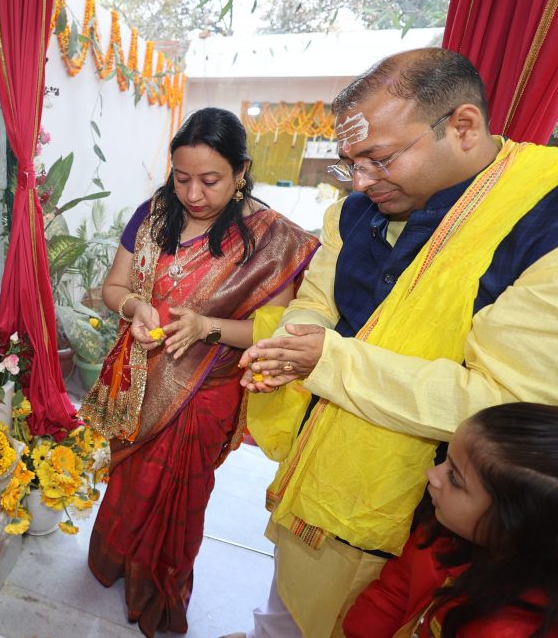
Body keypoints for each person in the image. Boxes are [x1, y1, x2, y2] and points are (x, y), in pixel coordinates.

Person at [238, 47, 558, 637]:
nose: (360, 182)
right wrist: (293, 340)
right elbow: (318, 300)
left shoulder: (544, 223)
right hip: (323, 477)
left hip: (434, 519)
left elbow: (506, 406)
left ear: (463, 127)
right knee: (289, 610)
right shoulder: (356, 210)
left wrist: (328, 360)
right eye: (350, 164)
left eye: (379, 159)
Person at [80, 107, 319, 637]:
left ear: (240, 172)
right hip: (142, 379)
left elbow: (272, 331)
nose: (193, 194)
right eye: (181, 178)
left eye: (210, 180)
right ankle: (114, 561)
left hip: (207, 390)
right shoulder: (152, 216)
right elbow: (114, 287)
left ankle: (158, 590)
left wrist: (208, 326)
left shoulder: (271, 239)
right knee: (129, 483)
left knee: (180, 497)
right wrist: (134, 308)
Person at [343, 402, 558, 638]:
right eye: (445, 460)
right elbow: (394, 591)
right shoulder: (441, 532)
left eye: (454, 478)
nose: (432, 474)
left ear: (513, 524)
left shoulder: (508, 629)